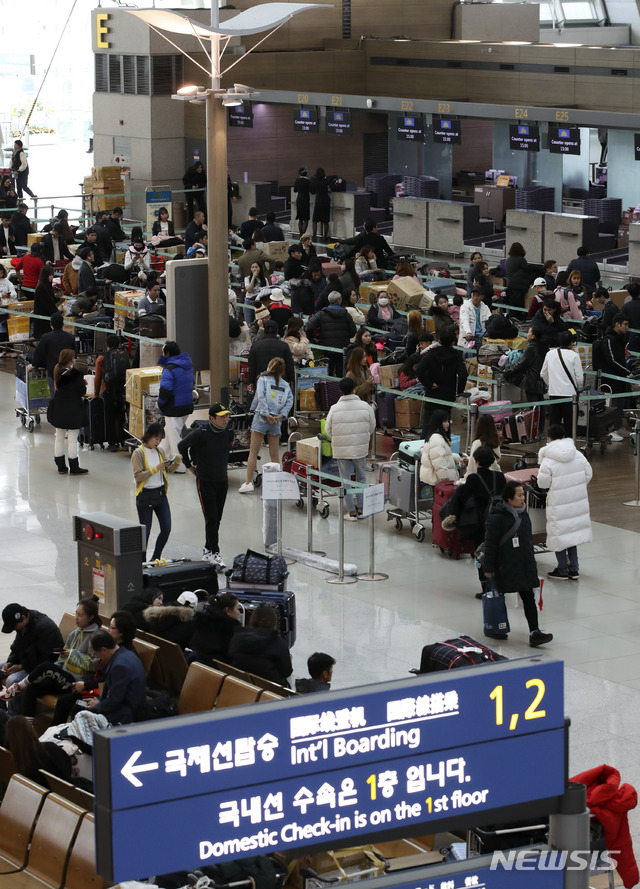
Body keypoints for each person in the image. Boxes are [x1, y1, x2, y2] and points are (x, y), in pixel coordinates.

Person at [482, 481, 554, 647]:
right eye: (519, 495)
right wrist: (489, 567)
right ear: (508, 498)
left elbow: (527, 541)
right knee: (497, 596)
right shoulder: (496, 518)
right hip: (504, 565)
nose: (523, 498)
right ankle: (496, 627)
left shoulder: (524, 514)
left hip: (523, 564)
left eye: (523, 495)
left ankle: (534, 632)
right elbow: (490, 544)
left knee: (528, 596)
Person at [0, 598, 100, 717]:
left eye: (80, 615)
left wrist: (72, 656)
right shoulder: (74, 634)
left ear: (90, 617)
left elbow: (94, 664)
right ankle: (19, 721)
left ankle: (14, 711)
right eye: (76, 613)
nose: (76, 618)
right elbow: (60, 659)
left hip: (76, 680)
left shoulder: (96, 638)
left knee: (20, 677)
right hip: (59, 674)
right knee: (32, 688)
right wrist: (11, 661)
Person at [51, 610, 139, 725]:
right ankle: (57, 735)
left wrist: (96, 700)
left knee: (78, 706)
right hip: (95, 692)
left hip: (107, 701)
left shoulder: (121, 657)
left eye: (111, 628)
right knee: (64, 701)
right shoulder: (114, 649)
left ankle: (77, 738)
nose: (108, 630)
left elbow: (114, 694)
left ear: (122, 632)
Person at [442, 446, 506, 597]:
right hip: (499, 521)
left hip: (480, 523)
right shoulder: (500, 477)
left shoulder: (473, 479)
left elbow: (463, 498)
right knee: (497, 552)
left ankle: (486, 588)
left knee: (482, 553)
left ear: (476, 462)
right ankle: (499, 584)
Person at [178, 403, 234, 570]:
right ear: (212, 418)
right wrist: (189, 466)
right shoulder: (200, 433)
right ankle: (215, 553)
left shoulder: (229, 433)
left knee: (217, 518)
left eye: (226, 416)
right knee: (211, 518)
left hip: (222, 481)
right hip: (205, 481)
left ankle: (207, 550)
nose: (225, 419)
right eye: (221, 416)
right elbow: (182, 446)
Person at [538, 424, 592, 581]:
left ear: (549, 438)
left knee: (559, 534)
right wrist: (576, 486)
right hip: (576, 499)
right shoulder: (577, 454)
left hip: (558, 502)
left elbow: (543, 483)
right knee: (572, 534)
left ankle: (562, 570)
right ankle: (574, 569)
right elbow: (588, 473)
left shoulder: (548, 459)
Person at [325, 376, 376, 520]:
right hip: (360, 448)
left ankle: (351, 511)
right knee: (361, 477)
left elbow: (329, 430)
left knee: (345, 479)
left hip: (341, 449)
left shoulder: (334, 409)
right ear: (354, 389)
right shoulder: (366, 407)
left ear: (341, 390)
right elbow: (371, 426)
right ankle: (361, 508)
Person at [240, 357, 293, 493]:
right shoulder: (286, 385)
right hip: (276, 421)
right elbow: (289, 402)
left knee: (253, 452)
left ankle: (248, 483)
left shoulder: (262, 379)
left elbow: (261, 397)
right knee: (274, 454)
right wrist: (279, 416)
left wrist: (266, 414)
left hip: (261, 419)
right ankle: (276, 484)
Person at [132, 422, 182, 562]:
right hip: (145, 496)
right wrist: (156, 468)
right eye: (156, 438)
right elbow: (138, 476)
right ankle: (141, 562)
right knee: (145, 532)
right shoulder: (138, 453)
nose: (158, 442)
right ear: (148, 436)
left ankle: (156, 557)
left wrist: (176, 462)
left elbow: (167, 471)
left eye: (160, 439)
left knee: (166, 528)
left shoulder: (160, 451)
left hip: (160, 494)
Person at [0, 603, 63, 696]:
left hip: (42, 668)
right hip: (27, 661)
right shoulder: (23, 625)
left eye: (14, 626)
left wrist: (21, 667)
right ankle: (2, 708)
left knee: (12, 680)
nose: (14, 629)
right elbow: (17, 646)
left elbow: (47, 660)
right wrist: (10, 662)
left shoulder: (45, 628)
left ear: (23, 617)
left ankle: (15, 711)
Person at [85, 629, 147, 725]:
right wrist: (99, 700)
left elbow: (115, 700)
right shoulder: (125, 654)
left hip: (125, 714)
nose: (97, 657)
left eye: (96, 654)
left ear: (103, 650)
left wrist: (97, 706)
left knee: (82, 715)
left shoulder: (119, 666)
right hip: (124, 705)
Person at [416, 328, 467, 436]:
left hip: (432, 393)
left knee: (428, 424)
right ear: (453, 342)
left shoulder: (431, 354)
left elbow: (419, 370)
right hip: (447, 394)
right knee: (445, 424)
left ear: (439, 341)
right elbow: (463, 374)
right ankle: (445, 446)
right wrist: (459, 390)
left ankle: (423, 448)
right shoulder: (456, 355)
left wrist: (429, 383)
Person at [228, 604, 292, 687]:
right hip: (269, 690)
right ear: (274, 620)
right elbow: (286, 671)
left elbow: (231, 658)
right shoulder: (277, 642)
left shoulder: (238, 637)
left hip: (241, 687)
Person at [48, 348, 89, 475]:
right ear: (71, 360)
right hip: (73, 409)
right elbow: (82, 391)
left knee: (59, 438)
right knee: (72, 439)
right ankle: (74, 466)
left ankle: (61, 467)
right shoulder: (75, 375)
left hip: (59, 407)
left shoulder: (57, 372)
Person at [503, 326, 548, 430]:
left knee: (533, 407)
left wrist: (509, 370)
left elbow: (522, 364)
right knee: (541, 406)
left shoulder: (531, 347)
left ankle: (533, 430)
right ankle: (540, 429)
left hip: (531, 380)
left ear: (533, 336)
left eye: (529, 332)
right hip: (540, 380)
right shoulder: (544, 346)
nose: (527, 334)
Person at [157, 341, 194, 466]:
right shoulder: (187, 365)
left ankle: (180, 466)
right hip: (187, 405)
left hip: (174, 407)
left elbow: (165, 390)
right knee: (169, 433)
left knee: (174, 439)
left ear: (167, 353)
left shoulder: (169, 369)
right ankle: (160, 456)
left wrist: (160, 404)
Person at [5, 717, 72, 784]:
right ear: (31, 729)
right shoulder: (47, 748)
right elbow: (67, 770)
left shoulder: (10, 756)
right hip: (58, 788)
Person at [541, 331, 584, 434]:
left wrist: (551, 384)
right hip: (570, 395)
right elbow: (579, 379)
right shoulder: (574, 356)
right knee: (570, 424)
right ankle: (569, 445)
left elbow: (543, 373)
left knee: (554, 424)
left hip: (554, 393)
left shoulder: (550, 354)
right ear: (571, 343)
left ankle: (552, 444)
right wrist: (576, 387)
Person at [598, 314, 632, 441]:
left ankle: (618, 427)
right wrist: (627, 372)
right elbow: (611, 360)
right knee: (612, 404)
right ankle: (611, 429)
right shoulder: (609, 340)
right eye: (625, 324)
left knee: (620, 404)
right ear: (617, 324)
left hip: (620, 377)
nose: (627, 328)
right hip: (611, 379)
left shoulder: (620, 338)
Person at [306, 292, 357, 377]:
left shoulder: (321, 313)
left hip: (327, 347)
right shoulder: (346, 315)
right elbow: (353, 331)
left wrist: (313, 337)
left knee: (328, 372)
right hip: (342, 348)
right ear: (339, 300)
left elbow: (308, 326)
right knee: (340, 372)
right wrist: (346, 337)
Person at [190, 593, 241, 666]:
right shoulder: (228, 629)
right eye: (237, 609)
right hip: (215, 669)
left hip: (198, 665)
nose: (239, 612)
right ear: (228, 610)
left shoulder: (204, 622)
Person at [31, 312, 75, 395]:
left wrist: (33, 365)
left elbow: (38, 354)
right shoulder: (71, 337)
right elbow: (75, 354)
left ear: (51, 324)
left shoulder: (46, 337)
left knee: (54, 394)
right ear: (63, 324)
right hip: (68, 370)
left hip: (53, 371)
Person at [247, 318, 295, 393]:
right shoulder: (284, 346)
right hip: (280, 383)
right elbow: (290, 366)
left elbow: (251, 367)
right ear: (277, 331)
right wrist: (291, 380)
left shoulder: (255, 346)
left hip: (261, 383)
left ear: (264, 332)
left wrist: (251, 382)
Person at [419, 410, 461, 487]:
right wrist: (447, 482)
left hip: (438, 482)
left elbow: (443, 456)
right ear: (438, 422)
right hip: (442, 483)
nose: (447, 424)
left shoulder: (435, 437)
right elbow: (439, 464)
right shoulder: (437, 439)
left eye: (448, 421)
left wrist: (459, 458)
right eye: (444, 421)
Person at [505, 241, 543, 309]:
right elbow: (527, 270)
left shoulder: (508, 260)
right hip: (518, 285)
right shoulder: (521, 260)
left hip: (509, 283)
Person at [462, 414, 501, 479]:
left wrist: (465, 479)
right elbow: (496, 458)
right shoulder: (495, 441)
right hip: (495, 476)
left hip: (480, 479)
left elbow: (472, 465)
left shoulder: (477, 443)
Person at [32, 264, 58, 339]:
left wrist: (57, 298)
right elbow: (46, 304)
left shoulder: (46, 286)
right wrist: (56, 312)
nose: (52, 277)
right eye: (50, 275)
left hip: (46, 319)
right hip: (43, 321)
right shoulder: (41, 288)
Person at [310, 167, 331, 241]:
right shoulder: (326, 180)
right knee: (326, 221)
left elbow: (312, 192)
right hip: (326, 201)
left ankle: (314, 236)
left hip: (318, 201)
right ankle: (325, 236)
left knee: (315, 220)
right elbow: (333, 187)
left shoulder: (315, 181)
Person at [294, 167, 311, 237]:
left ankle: (300, 234)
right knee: (306, 219)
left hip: (299, 199)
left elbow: (295, 190)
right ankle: (303, 235)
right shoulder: (308, 181)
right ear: (306, 173)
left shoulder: (297, 180)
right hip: (306, 199)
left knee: (300, 219)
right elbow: (312, 191)